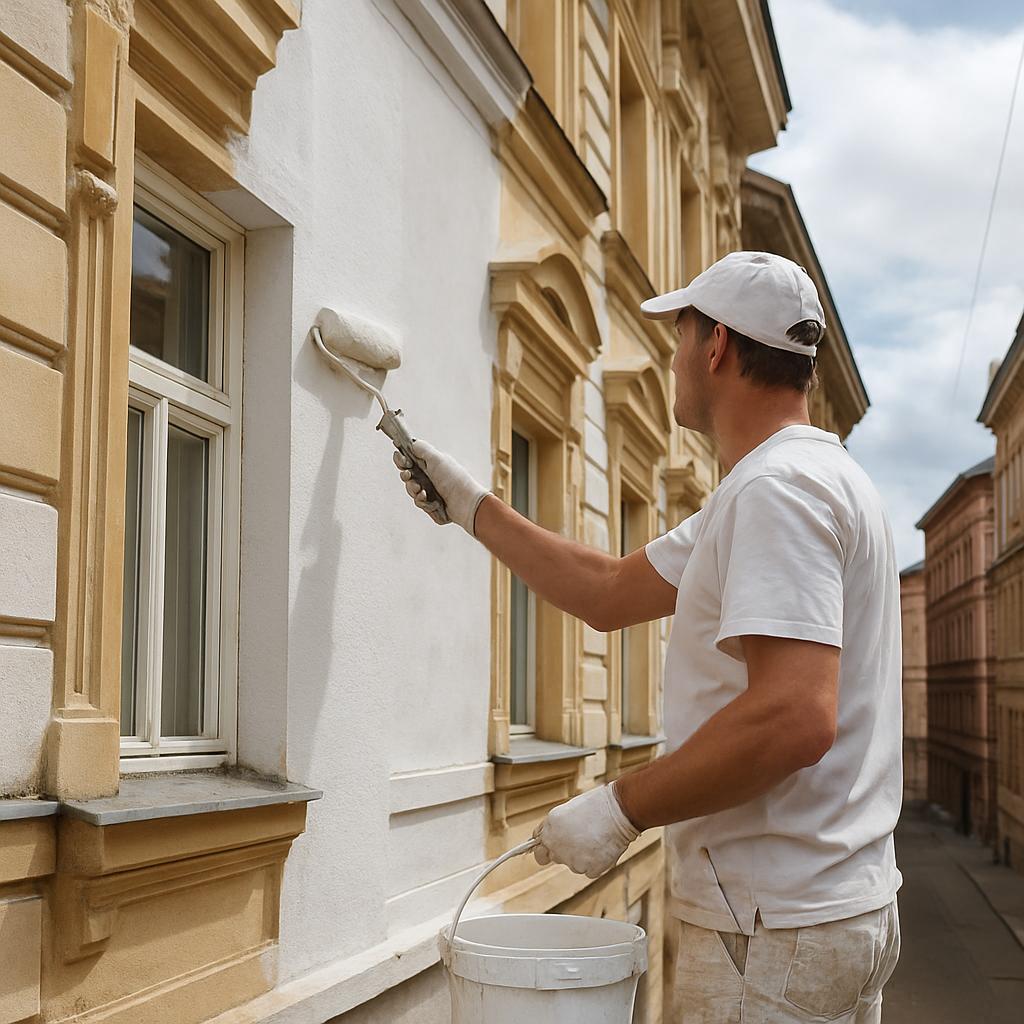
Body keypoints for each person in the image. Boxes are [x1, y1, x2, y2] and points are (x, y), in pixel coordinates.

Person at [393, 251, 902, 1022]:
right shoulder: (788, 485)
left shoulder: (778, 493)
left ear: (718, 346)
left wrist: (620, 808)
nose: (671, 357)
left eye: (679, 335)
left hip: (772, 927)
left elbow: (796, 716)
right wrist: (472, 507)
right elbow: (605, 592)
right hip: (808, 915)